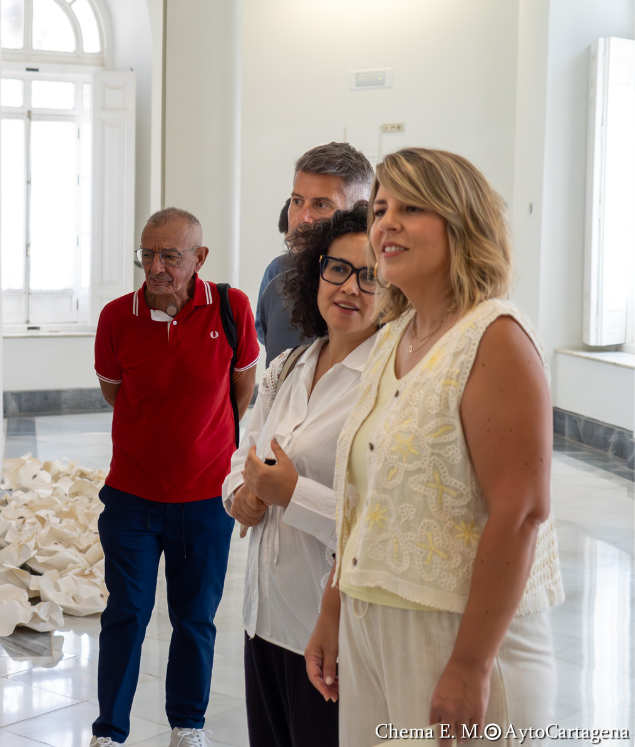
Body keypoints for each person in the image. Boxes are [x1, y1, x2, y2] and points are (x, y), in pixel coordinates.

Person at [304, 149, 564, 746]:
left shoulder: (494, 336)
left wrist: (471, 663)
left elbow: (521, 512)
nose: (386, 224)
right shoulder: (394, 336)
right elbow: (365, 500)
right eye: (380, 209)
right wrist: (333, 606)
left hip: (459, 633)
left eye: (412, 208)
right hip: (372, 623)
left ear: (462, 221)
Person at [91, 208, 259, 747]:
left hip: (206, 499)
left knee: (195, 618)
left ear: (199, 258)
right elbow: (116, 392)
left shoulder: (232, 308)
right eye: (147, 254)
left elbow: (242, 390)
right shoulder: (117, 317)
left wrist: (205, 442)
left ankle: (187, 725)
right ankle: (109, 732)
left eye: (170, 255)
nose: (156, 267)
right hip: (131, 497)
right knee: (126, 613)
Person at [225, 205, 379, 746]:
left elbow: (384, 524)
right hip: (262, 622)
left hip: (328, 637)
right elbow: (242, 458)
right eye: (337, 268)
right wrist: (242, 496)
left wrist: (292, 494)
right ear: (317, 273)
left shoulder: (386, 387)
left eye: (370, 276)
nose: (350, 287)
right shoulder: (287, 367)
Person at [257, 143, 374, 365]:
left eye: (321, 205)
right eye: (297, 201)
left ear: (360, 211)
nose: (303, 217)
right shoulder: (278, 286)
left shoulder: (384, 290)